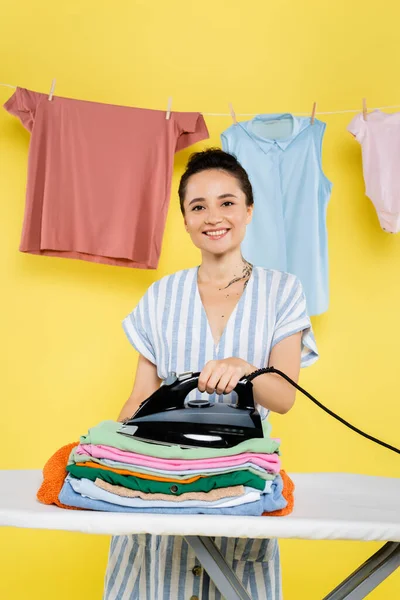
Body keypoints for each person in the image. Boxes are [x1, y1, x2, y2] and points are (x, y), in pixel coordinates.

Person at [103, 148, 319, 600]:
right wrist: (107, 459)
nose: (213, 216)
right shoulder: (162, 295)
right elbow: (140, 398)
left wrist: (245, 369)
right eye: (197, 206)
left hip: (240, 477)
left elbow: (282, 397)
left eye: (227, 202)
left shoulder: (283, 290)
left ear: (248, 210)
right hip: (161, 479)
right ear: (184, 220)